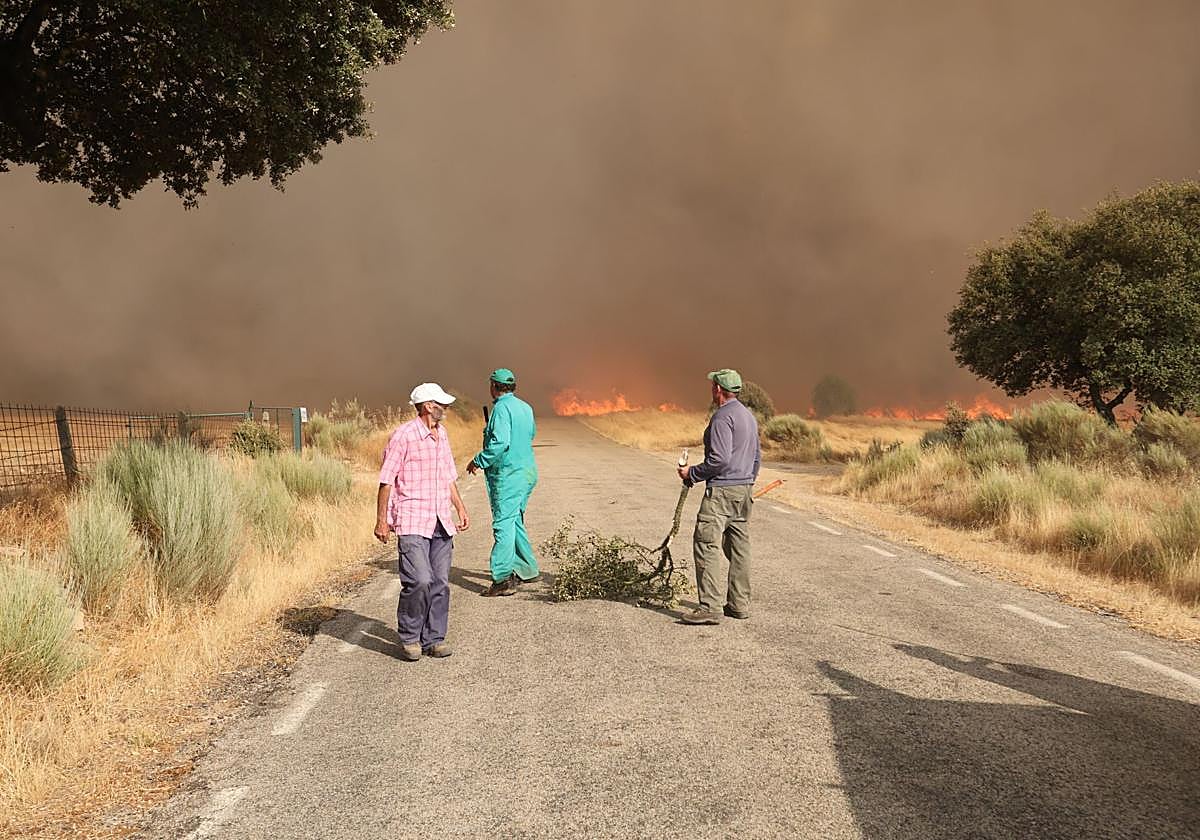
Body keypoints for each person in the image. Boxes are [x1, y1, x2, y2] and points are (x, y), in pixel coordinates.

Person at [375, 383, 470, 661]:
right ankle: (409, 637)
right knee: (419, 580)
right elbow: (386, 480)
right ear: (429, 406)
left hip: (441, 519)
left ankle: (434, 638)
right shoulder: (403, 436)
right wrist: (382, 521)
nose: (447, 407)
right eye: (442, 403)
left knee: (440, 582)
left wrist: (460, 508)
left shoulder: (442, 434)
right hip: (413, 519)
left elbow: (448, 476)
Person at [676, 368, 761, 625]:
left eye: (712, 386)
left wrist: (692, 473)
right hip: (743, 490)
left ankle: (710, 606)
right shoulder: (748, 416)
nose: (711, 391)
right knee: (739, 549)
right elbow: (757, 457)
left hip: (722, 492)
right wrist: (747, 480)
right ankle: (739, 604)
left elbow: (720, 459)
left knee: (706, 544)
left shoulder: (723, 417)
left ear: (718, 390)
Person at [466, 368, 540, 597]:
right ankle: (528, 569)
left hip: (508, 476)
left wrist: (478, 460)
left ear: (494, 386)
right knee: (515, 518)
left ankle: (502, 579)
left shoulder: (500, 409)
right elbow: (530, 434)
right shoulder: (525, 407)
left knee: (503, 523)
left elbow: (500, 443)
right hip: (527, 472)